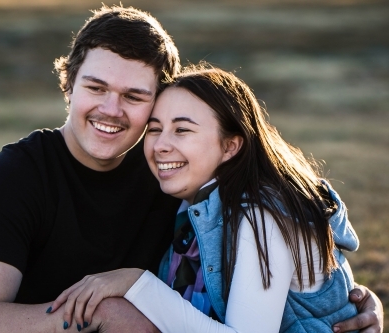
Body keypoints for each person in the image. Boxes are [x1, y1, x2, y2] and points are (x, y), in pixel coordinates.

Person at [0, 5, 383, 333]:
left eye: (135, 97)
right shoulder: (16, 176)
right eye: (96, 87)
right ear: (69, 84)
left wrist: (351, 300)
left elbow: (288, 247)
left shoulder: (171, 170)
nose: (111, 110)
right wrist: (103, 313)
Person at [50, 65, 383, 333]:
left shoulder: (263, 215)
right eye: (154, 129)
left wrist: (135, 282)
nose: (160, 145)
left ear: (230, 146)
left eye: (182, 130)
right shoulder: (193, 206)